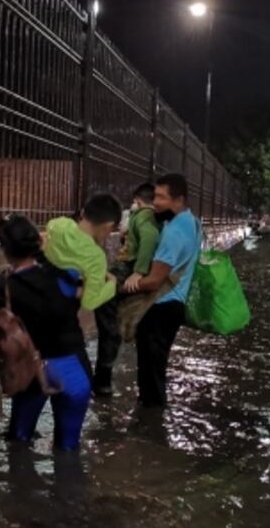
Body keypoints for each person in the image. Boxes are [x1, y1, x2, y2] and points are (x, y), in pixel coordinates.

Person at [0, 215, 92, 451]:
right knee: (69, 449)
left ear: (5, 250)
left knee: (19, 443)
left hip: (33, 371)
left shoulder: (4, 285)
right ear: (38, 239)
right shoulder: (67, 274)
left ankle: (21, 486)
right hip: (73, 368)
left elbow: (1, 326)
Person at [125, 174, 202, 408]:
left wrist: (123, 286)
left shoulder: (174, 234)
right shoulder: (192, 222)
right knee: (156, 370)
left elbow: (153, 281)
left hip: (159, 309)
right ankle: (152, 426)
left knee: (150, 377)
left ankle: (150, 428)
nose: (155, 202)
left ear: (178, 199)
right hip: (174, 306)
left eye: (161, 197)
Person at [92, 183, 161, 396]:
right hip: (129, 267)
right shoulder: (151, 216)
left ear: (138, 201)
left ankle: (104, 374)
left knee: (106, 316)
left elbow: (149, 238)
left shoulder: (142, 215)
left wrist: (139, 271)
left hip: (128, 268)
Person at [43, 193, 122, 312]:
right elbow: (89, 303)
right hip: (62, 311)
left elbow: (47, 231)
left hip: (37, 294)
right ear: (109, 226)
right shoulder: (96, 257)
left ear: (83, 212)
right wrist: (112, 284)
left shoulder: (60, 224)